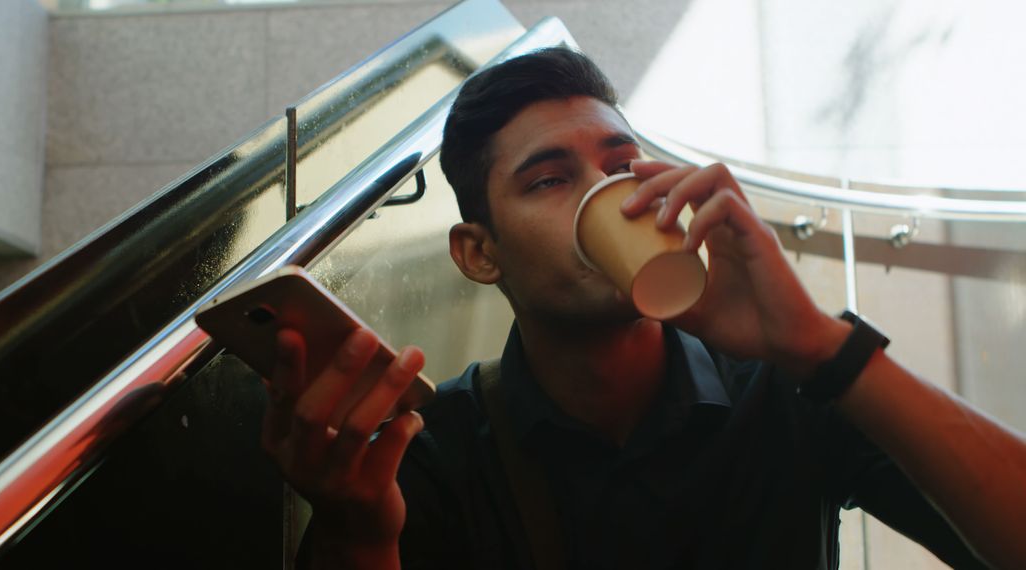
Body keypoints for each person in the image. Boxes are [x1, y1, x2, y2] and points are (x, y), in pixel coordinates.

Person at [260, 48, 1026, 569]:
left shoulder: (785, 391)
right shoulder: (437, 451)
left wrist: (820, 344)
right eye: (549, 180)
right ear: (478, 252)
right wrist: (357, 534)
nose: (609, 194)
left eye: (623, 165)